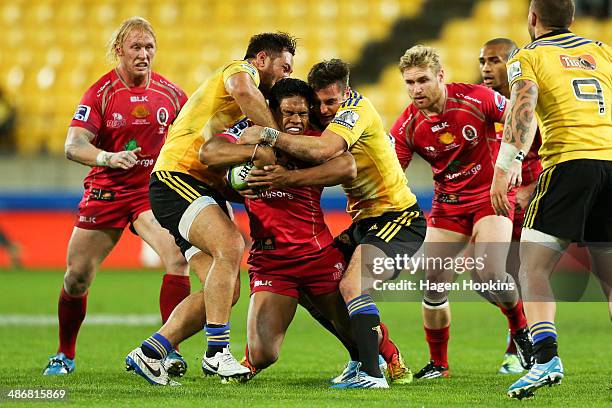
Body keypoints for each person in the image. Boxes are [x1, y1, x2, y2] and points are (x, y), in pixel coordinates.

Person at [238, 59, 426, 389]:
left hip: (397, 218)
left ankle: (372, 373)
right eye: (319, 103)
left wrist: (271, 136)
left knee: (352, 285)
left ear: (346, 92)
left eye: (330, 102)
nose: (324, 110)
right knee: (317, 285)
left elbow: (331, 153)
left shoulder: (355, 110)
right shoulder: (329, 120)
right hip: (365, 222)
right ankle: (362, 360)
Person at [125, 32, 296, 385]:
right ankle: (217, 354)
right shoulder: (240, 71)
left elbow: (228, 165)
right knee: (231, 245)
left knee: (226, 289)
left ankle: (151, 352)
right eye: (284, 66)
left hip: (203, 186)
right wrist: (279, 139)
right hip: (176, 175)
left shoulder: (251, 110)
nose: (286, 76)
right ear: (261, 59)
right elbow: (243, 90)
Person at [42, 17, 190, 377]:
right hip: (107, 192)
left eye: (149, 47)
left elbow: (191, 138)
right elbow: (73, 145)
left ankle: (168, 350)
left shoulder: (171, 94)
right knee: (76, 278)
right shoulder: (101, 92)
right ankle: (65, 354)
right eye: (136, 47)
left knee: (177, 259)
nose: (144, 54)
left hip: (149, 194)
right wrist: (108, 157)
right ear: (119, 50)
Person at [490, 0, 612, 399]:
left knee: (533, 266)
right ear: (572, 19)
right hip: (611, 161)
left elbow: (522, 108)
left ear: (532, 19)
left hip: (570, 163)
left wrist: (505, 168)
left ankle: (545, 361)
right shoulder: (601, 50)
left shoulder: (528, 55)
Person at [390, 45, 533, 380]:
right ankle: (439, 364)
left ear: (441, 76)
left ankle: (522, 332)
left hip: (490, 197)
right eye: (409, 82)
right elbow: (393, 174)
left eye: (423, 80)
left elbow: (523, 116)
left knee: (491, 272)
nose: (416, 89)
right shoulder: (407, 125)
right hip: (449, 205)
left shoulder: (476, 98)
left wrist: (513, 164)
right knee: (433, 283)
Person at [479, 37, 543, 374]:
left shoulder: (535, 105)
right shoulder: (483, 103)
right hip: (497, 200)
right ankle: (522, 336)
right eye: (482, 61)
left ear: (513, 63)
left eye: (494, 61)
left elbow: (556, 158)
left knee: (521, 273)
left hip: (531, 201)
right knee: (484, 276)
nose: (486, 68)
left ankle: (519, 349)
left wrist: (530, 189)